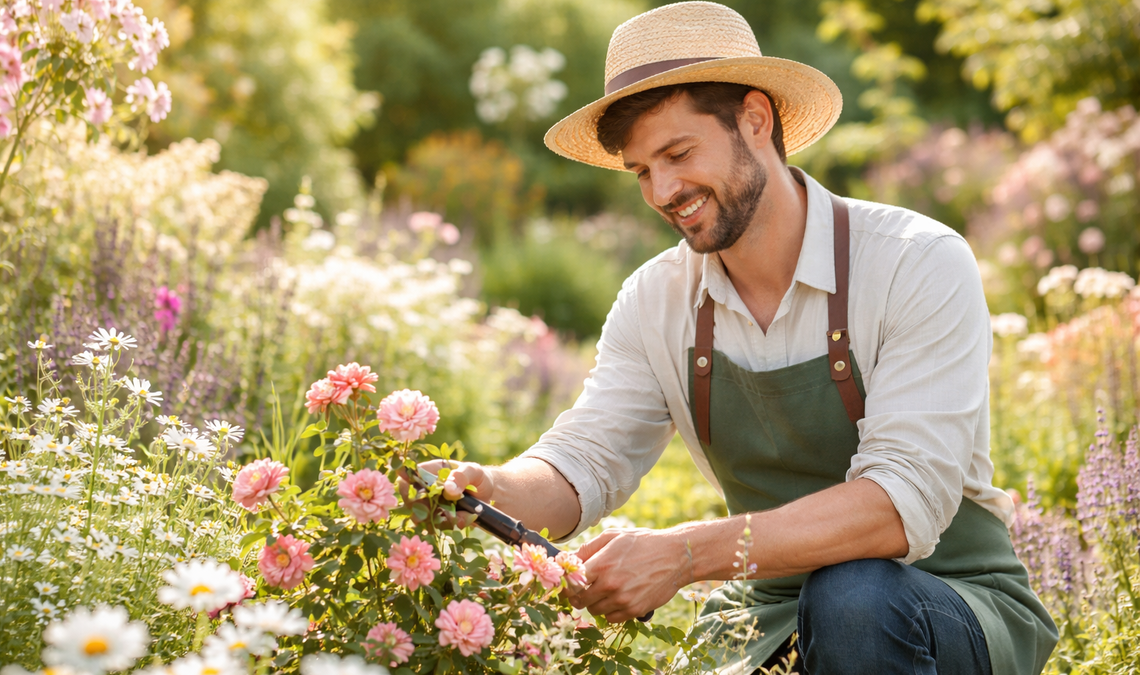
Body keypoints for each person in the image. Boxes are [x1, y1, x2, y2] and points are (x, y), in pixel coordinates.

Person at [422, 3, 1057, 673]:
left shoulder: (914, 261)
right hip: (766, 619)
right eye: (642, 171)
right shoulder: (656, 300)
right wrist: (486, 489)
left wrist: (684, 553)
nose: (663, 191)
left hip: (944, 600)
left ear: (756, 120)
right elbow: (585, 458)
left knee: (853, 597)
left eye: (678, 153)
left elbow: (899, 506)